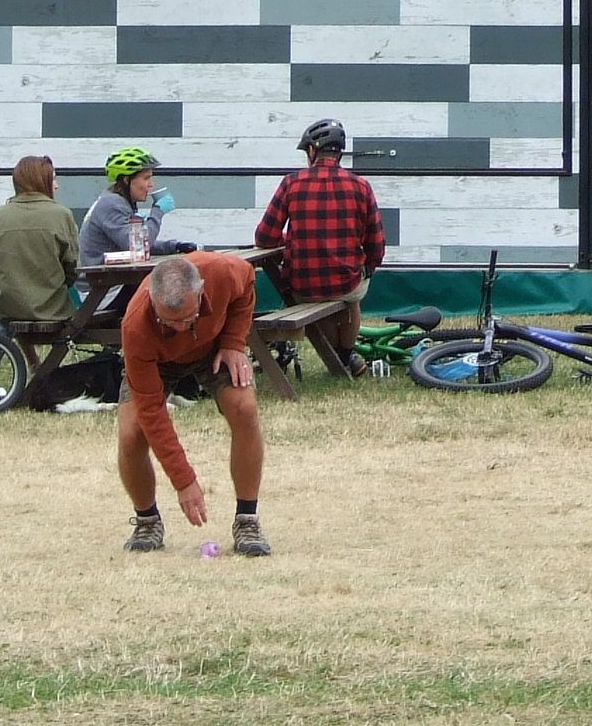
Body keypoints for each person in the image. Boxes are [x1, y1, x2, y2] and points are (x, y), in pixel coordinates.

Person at [117, 251, 270, 556]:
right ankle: (147, 521)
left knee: (245, 408)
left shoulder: (222, 271)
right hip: (157, 361)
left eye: (188, 318)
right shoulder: (135, 327)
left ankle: (247, 520)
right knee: (132, 432)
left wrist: (233, 343)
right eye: (168, 321)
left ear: (201, 291)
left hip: (214, 347)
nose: (179, 328)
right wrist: (184, 482)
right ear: (152, 299)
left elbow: (248, 284)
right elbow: (152, 412)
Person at [254, 117, 384, 359]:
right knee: (351, 293)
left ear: (313, 150)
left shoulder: (291, 183)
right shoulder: (361, 186)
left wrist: (289, 239)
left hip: (302, 285)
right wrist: (369, 267)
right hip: (346, 283)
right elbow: (376, 244)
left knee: (317, 294)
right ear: (339, 154)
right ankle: (344, 356)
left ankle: (339, 357)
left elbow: (264, 237)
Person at [0, 154, 80, 327]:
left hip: (5, 307)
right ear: (41, 181)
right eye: (53, 179)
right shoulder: (62, 215)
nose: (57, 186)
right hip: (53, 308)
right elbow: (72, 266)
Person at [80, 146, 168, 266]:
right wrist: (157, 212)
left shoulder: (120, 201)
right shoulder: (112, 204)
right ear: (127, 180)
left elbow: (139, 246)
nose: (151, 184)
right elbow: (140, 246)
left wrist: (173, 246)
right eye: (146, 178)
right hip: (104, 281)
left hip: (114, 276)